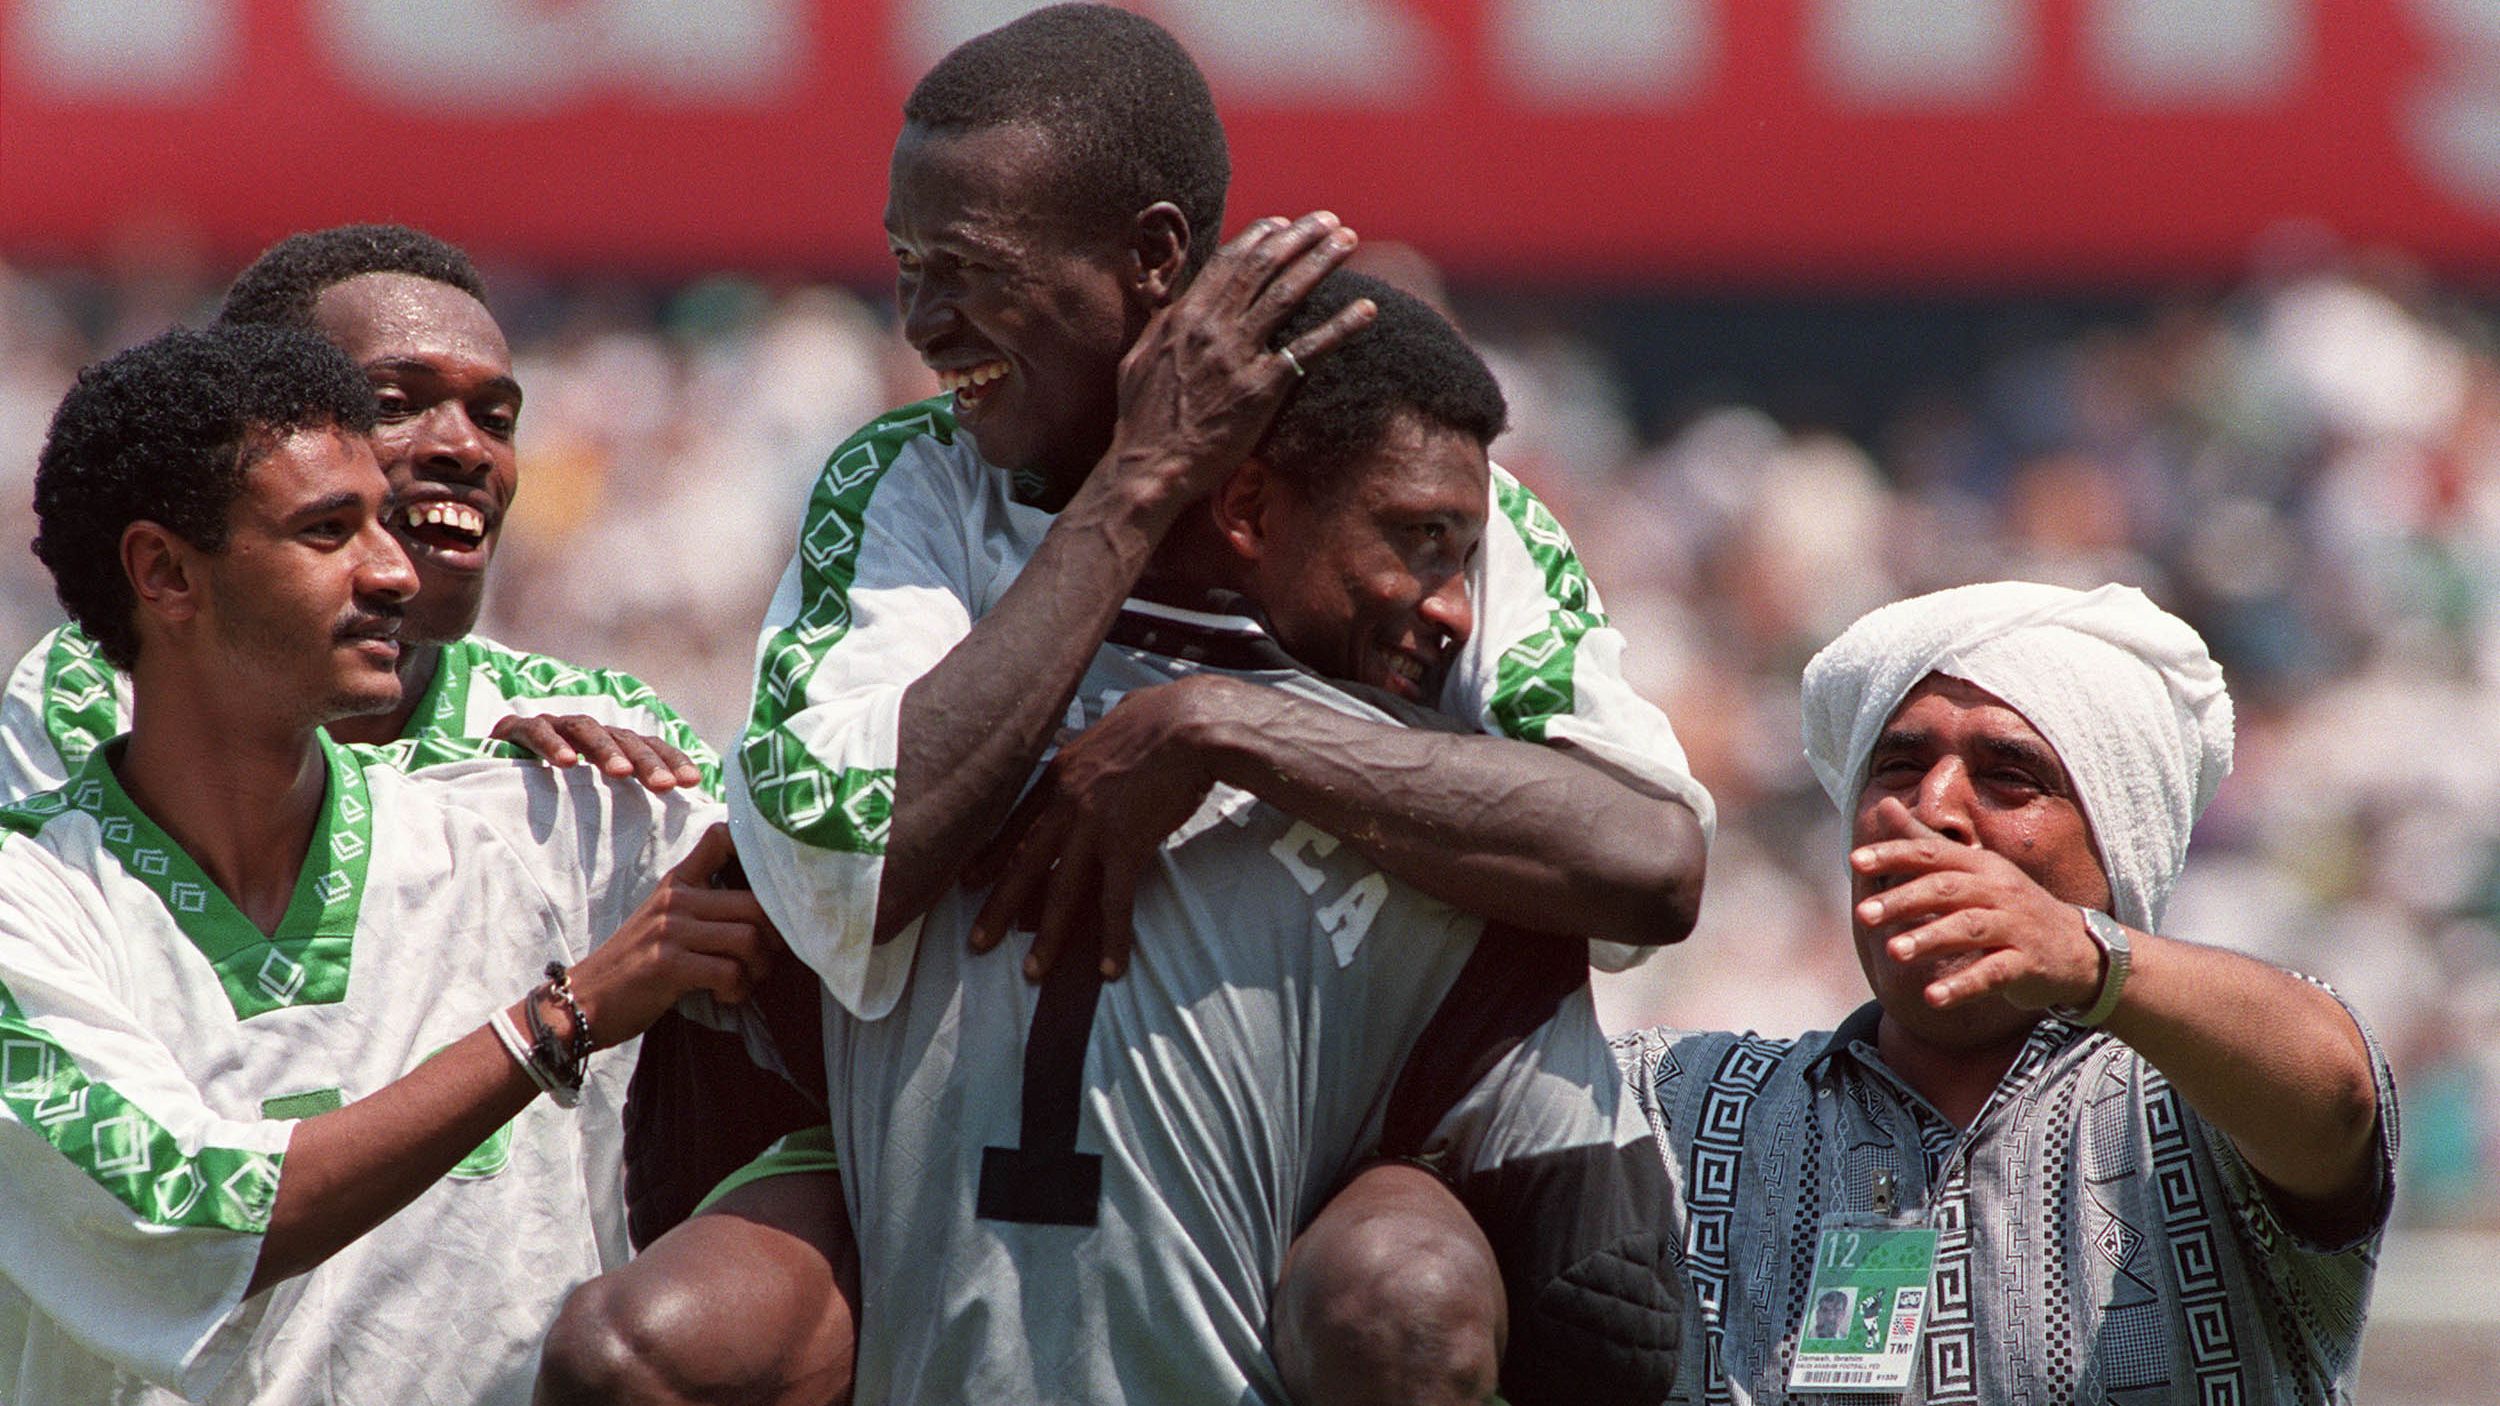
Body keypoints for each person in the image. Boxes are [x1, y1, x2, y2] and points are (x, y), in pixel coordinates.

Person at [0, 325, 781, 1404]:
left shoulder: (551, 839)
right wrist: (558, 1022)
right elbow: (195, 1215)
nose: (393, 568)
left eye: (381, 521)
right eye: (328, 529)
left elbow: (852, 894)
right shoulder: (30, 911)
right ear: (165, 571)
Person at [1614, 581, 2395, 1403]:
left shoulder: (2195, 1106)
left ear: (2119, 844)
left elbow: (2338, 1096)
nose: (1935, 807)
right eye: (1901, 766)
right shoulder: (1681, 1107)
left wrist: (2088, 959)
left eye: (2010, 777)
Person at [0, 223, 715, 799]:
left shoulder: (607, 743)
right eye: (394, 404)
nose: (467, 448)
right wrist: (471, 814)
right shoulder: (100, 695)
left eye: (496, 419)